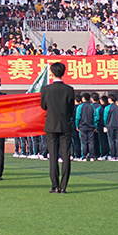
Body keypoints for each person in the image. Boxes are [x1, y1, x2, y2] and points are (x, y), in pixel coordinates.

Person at [40, 62, 75, 194]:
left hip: (51, 124)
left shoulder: (46, 89)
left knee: (53, 157)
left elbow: (43, 106)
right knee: (66, 157)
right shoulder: (69, 89)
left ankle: (55, 185)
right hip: (65, 124)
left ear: (52, 73)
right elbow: (71, 108)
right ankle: (64, 186)